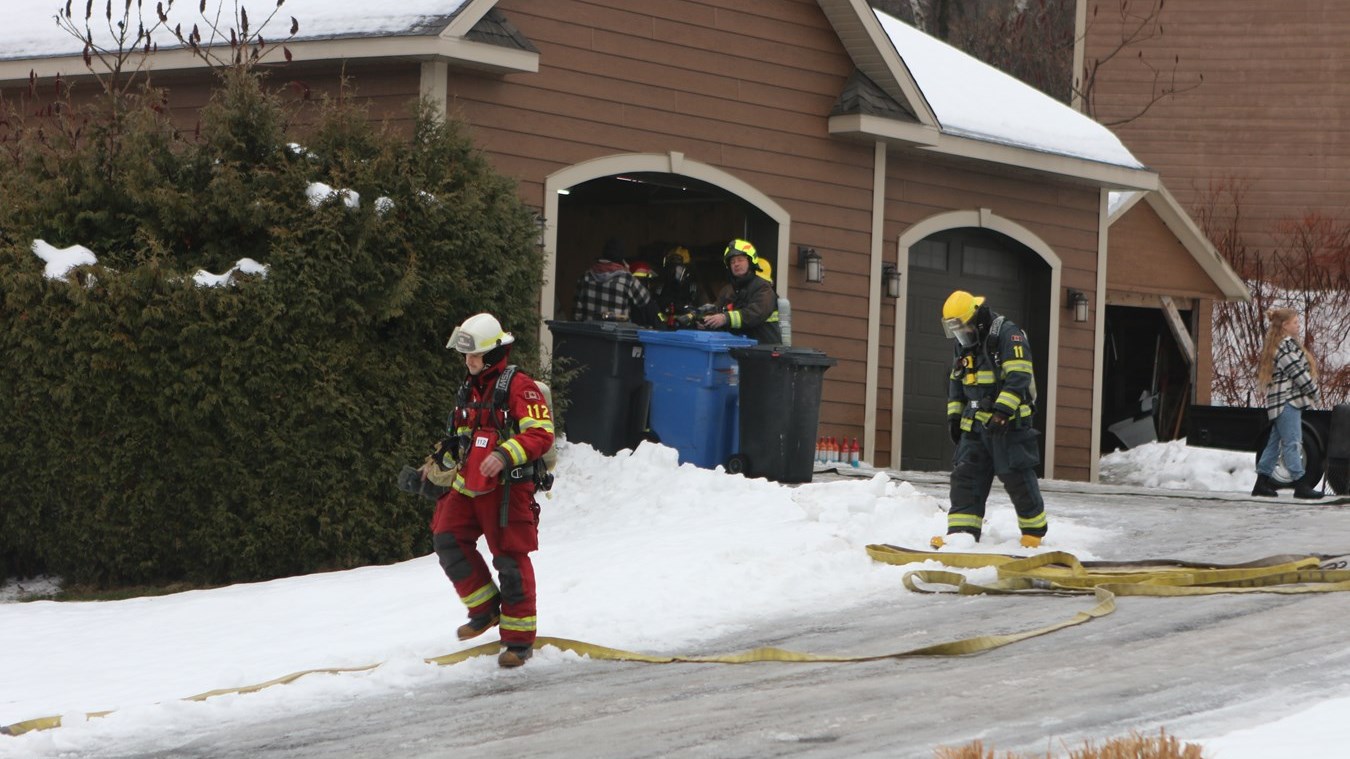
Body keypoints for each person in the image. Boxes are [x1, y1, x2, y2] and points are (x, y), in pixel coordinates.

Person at [420, 313, 555, 668]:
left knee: (510, 559)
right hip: (471, 484)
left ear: (494, 354)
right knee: (447, 537)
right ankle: (484, 610)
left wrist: (503, 453)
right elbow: (460, 438)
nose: (469, 362)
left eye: (475, 356)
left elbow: (541, 434)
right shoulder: (469, 387)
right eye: (467, 356)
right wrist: (434, 467)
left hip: (508, 488)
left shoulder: (519, 386)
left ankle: (518, 640)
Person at [932, 290, 1048, 550]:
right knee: (966, 477)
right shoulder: (964, 340)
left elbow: (1019, 376)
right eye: (957, 330)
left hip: (1009, 425)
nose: (962, 335)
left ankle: (1033, 532)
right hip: (975, 425)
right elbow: (957, 379)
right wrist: (954, 415)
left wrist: (1002, 412)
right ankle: (962, 533)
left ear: (977, 318)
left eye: (964, 327)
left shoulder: (1008, 335)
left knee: (1016, 477)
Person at [1252, 307, 1323, 498]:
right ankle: (1301, 485)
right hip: (1287, 401)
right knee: (1293, 443)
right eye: (1295, 322)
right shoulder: (1284, 347)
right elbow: (1298, 373)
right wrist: (1314, 392)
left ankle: (1261, 483)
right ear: (1285, 325)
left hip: (1282, 402)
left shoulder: (1283, 345)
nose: (1298, 325)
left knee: (1274, 444)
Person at [700, 238, 782, 344]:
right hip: (741, 348)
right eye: (732, 262)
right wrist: (707, 321)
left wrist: (725, 318)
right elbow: (718, 309)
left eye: (740, 259)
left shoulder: (763, 288)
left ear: (750, 261)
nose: (736, 264)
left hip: (764, 350)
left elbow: (754, 314)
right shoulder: (730, 290)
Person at [572, 238, 657, 325]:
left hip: (589, 336)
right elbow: (648, 305)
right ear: (621, 260)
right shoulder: (627, 279)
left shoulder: (585, 278)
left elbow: (576, 316)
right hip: (617, 337)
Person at [653, 246, 705, 322]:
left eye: (677, 268)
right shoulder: (662, 284)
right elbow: (656, 302)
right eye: (672, 267)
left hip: (685, 323)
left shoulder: (692, 286)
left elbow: (697, 307)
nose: (674, 272)